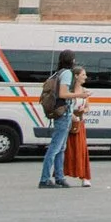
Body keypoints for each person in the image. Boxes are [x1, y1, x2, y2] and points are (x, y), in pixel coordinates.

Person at [37, 50, 79, 188]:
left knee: (61, 148)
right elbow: (63, 93)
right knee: (55, 148)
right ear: (71, 60)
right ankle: (44, 179)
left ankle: (60, 177)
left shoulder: (57, 73)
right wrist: (79, 95)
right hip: (63, 114)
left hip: (60, 113)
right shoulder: (67, 73)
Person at [62, 67, 94, 187]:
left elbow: (88, 107)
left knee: (81, 150)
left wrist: (83, 110)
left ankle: (84, 177)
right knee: (66, 150)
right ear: (76, 76)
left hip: (79, 123)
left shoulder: (84, 91)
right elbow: (65, 106)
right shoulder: (69, 91)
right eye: (83, 75)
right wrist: (72, 115)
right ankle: (61, 175)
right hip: (69, 122)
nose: (85, 77)